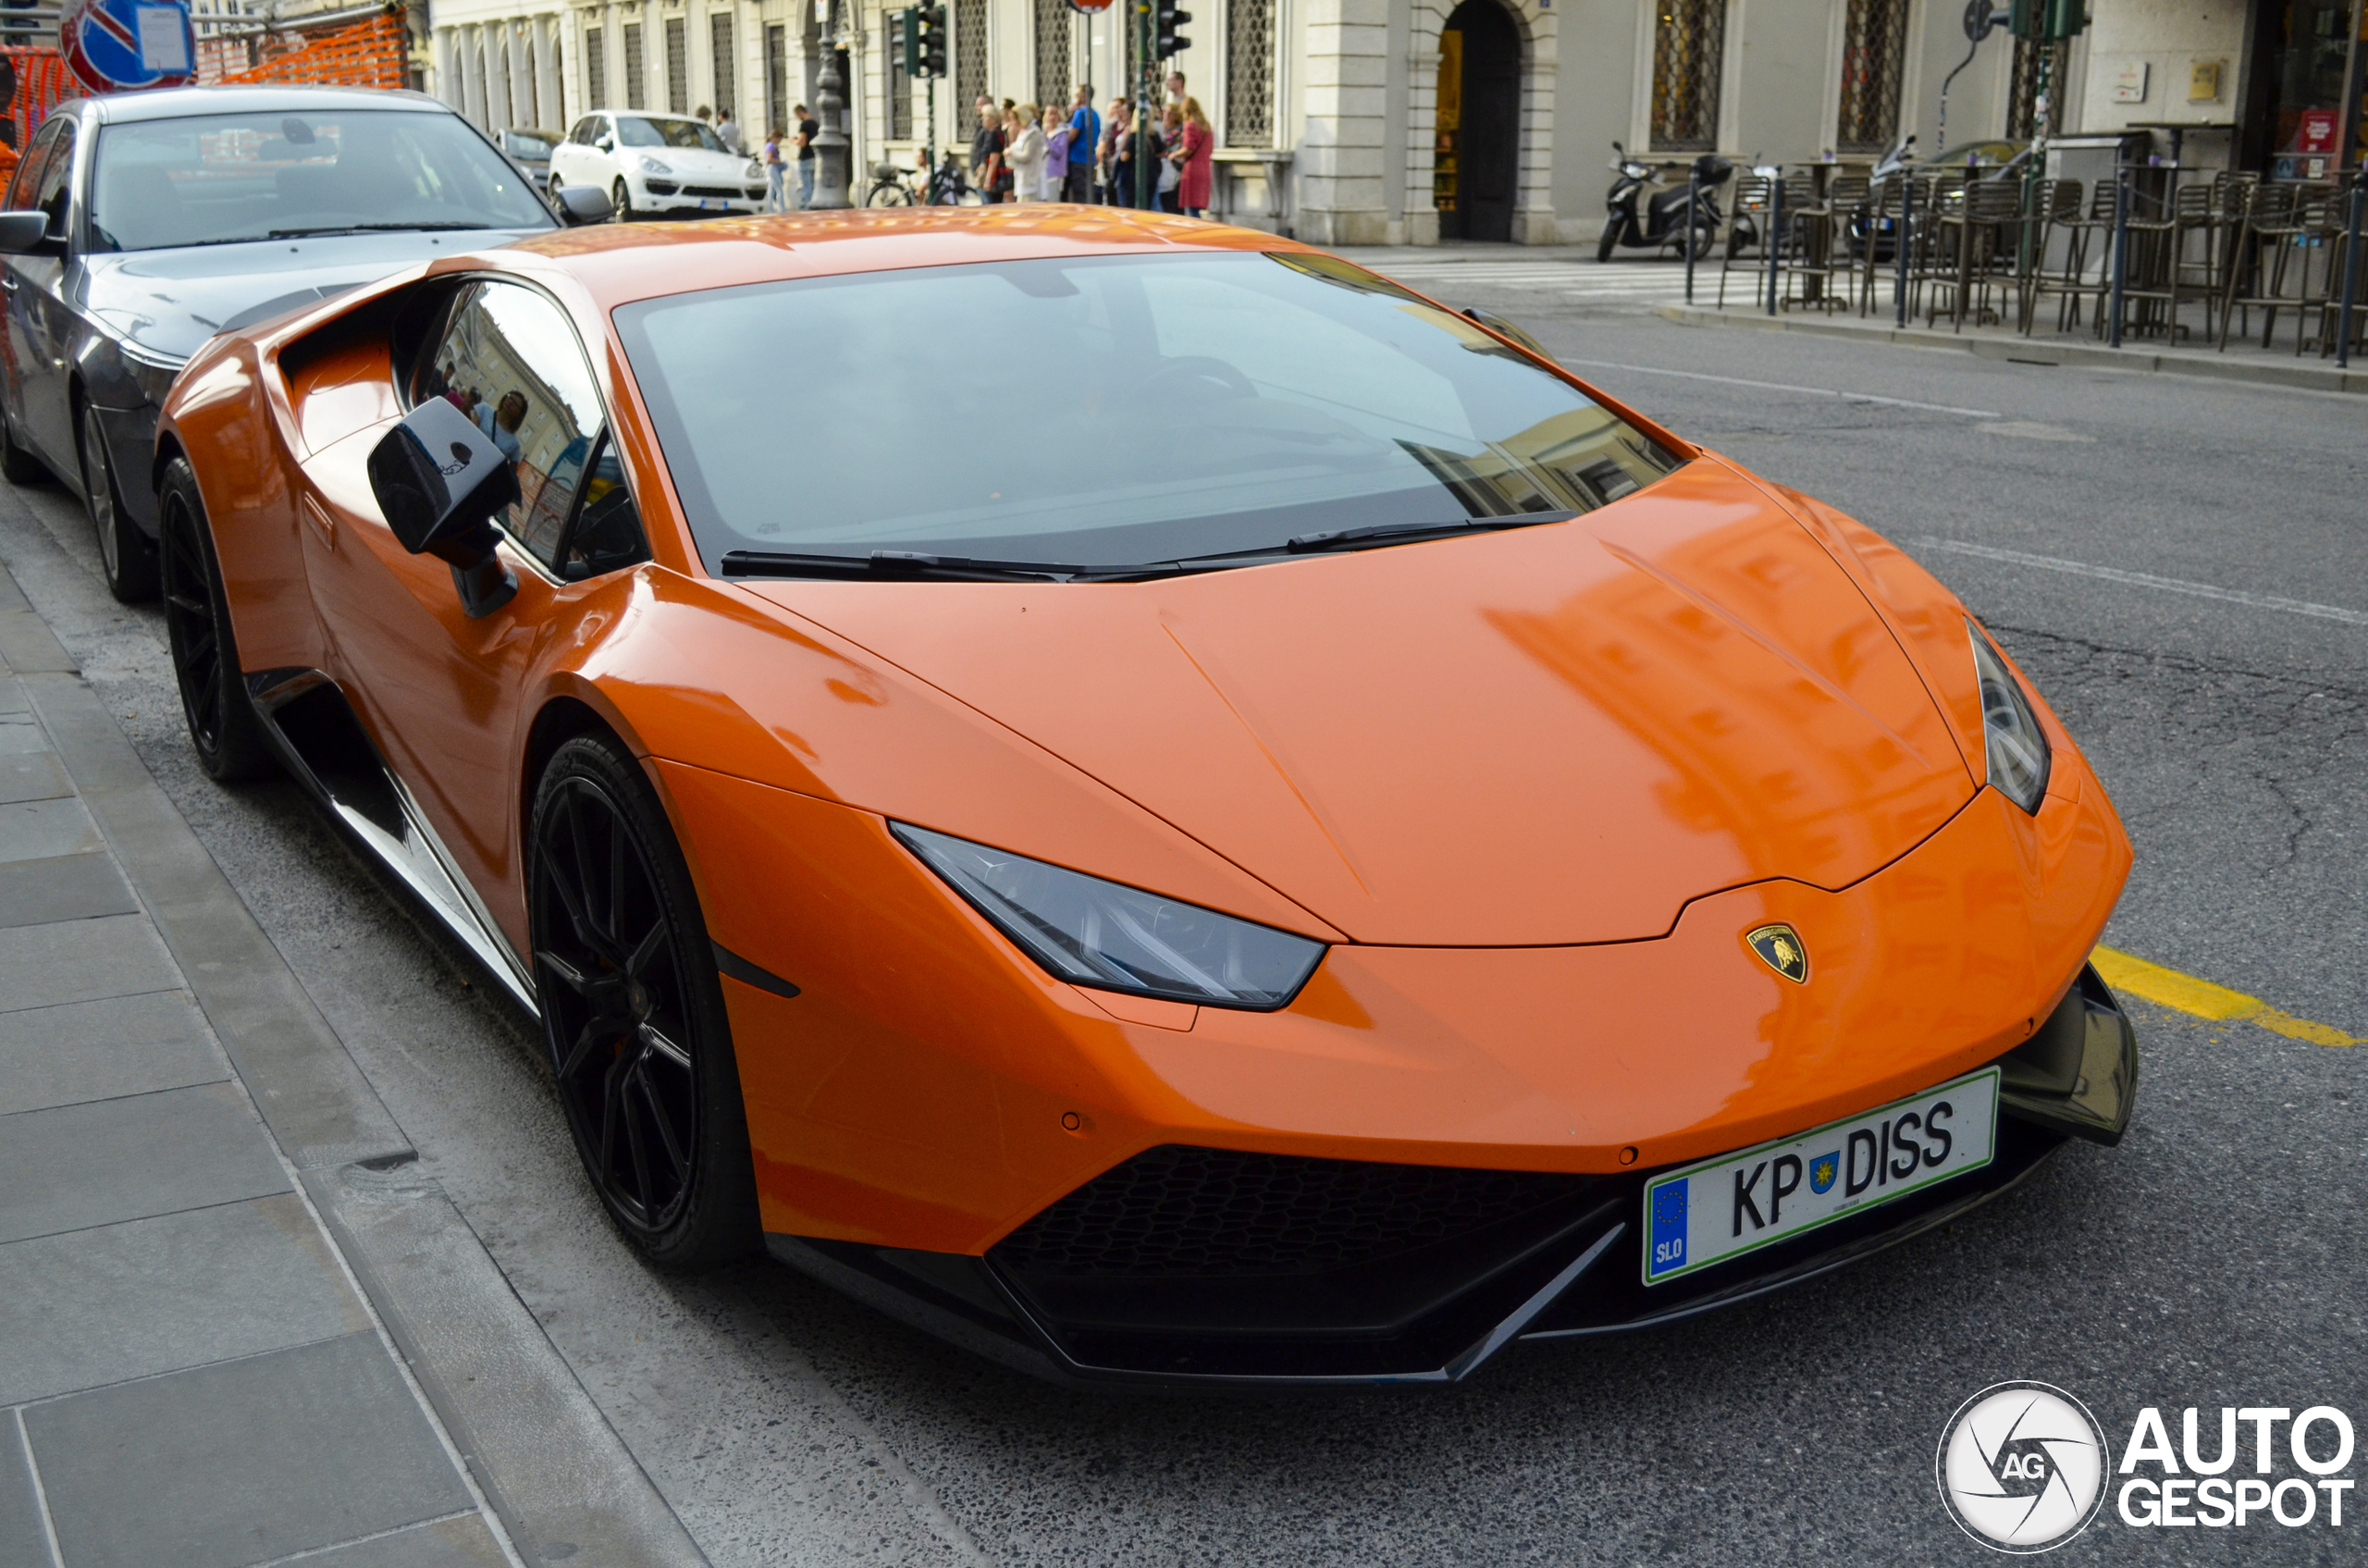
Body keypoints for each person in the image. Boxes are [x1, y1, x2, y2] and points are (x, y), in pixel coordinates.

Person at [1174, 95, 1214, 218]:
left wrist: (1173, 154)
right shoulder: (1206, 126)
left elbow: (1188, 148)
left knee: (1191, 208)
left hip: (1192, 169)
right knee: (1197, 207)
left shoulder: (1190, 125)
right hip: (1205, 168)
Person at [1003, 103, 1044, 204]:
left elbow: (1027, 155)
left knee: (1028, 205)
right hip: (1020, 175)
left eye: (1013, 119)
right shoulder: (1022, 132)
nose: (1012, 122)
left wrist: (1012, 152)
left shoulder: (1033, 132)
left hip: (1030, 177)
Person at [1065, 85, 1099, 204]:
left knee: (1078, 194)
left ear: (1083, 97)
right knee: (1087, 193)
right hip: (1089, 159)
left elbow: (1072, 135)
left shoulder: (1080, 113)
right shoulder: (1095, 115)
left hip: (1077, 159)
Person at [476, 390, 526, 463]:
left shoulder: (514, 444)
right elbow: (468, 431)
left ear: (519, 414)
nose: (510, 402)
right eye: (510, 398)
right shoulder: (484, 409)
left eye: (515, 404)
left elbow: (511, 471)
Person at [970, 97, 1005, 200]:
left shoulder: (995, 133)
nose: (982, 119)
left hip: (994, 177)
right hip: (989, 174)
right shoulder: (987, 131)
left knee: (990, 205)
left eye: (985, 117)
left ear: (992, 118)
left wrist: (988, 179)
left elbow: (994, 156)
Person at [1154, 103, 1183, 213]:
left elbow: (1163, 148)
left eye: (1169, 112)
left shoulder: (1175, 133)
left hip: (1170, 168)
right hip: (1161, 169)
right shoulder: (1162, 130)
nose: (1165, 114)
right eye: (1164, 111)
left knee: (1168, 200)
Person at [1039, 104, 1068, 202]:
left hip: (1055, 173)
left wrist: (1046, 140)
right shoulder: (1043, 131)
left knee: (1053, 200)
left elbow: (1058, 152)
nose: (1053, 117)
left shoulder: (1062, 133)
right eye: (1050, 114)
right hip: (1042, 171)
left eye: (1055, 114)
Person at [794, 105, 818, 208]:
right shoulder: (815, 124)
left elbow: (802, 142)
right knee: (813, 184)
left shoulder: (804, 125)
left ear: (800, 112)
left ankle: (809, 208)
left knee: (806, 185)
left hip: (805, 158)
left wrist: (794, 141)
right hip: (814, 157)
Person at [762, 126, 786, 211]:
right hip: (772, 169)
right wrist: (780, 162)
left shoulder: (769, 145)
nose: (780, 142)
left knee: (771, 191)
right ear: (775, 138)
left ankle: (770, 209)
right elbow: (769, 159)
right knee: (779, 190)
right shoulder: (771, 146)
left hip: (770, 169)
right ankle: (782, 209)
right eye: (779, 139)